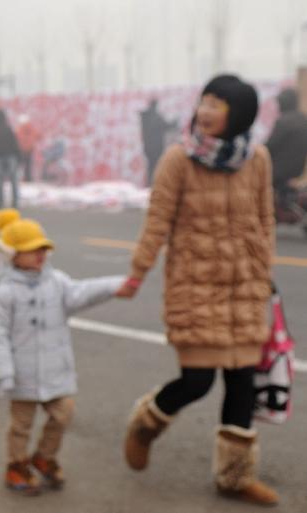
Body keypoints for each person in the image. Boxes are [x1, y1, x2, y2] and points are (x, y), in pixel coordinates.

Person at [118, 75, 278, 506]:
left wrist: (263, 270)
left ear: (238, 114)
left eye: (217, 104)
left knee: (243, 384)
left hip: (245, 286)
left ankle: (235, 476)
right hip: (196, 285)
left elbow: (265, 219)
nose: (205, 110)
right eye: (204, 101)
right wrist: (137, 273)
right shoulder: (179, 159)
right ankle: (146, 424)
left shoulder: (257, 159)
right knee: (198, 381)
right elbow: (158, 223)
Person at [0, 209, 125, 495]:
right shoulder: (5, 294)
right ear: (13, 255)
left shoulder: (56, 282)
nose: (41, 254)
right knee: (20, 426)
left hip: (56, 371)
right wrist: (4, 373)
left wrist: (116, 285)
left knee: (63, 414)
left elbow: (82, 292)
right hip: (21, 376)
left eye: (43, 248)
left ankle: (44, 457)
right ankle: (17, 465)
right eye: (32, 250)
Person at [265, 88, 307, 207]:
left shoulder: (284, 121)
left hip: (278, 171)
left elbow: (269, 146)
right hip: (297, 169)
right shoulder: (304, 119)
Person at [139, 99, 174, 186]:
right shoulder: (156, 116)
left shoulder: (145, 117)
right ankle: (154, 184)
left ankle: (150, 184)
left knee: (151, 166)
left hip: (148, 148)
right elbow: (167, 126)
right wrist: (175, 122)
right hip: (157, 147)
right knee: (156, 166)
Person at [0, 109, 20, 208]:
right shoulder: (8, 129)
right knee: (13, 180)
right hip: (10, 157)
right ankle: (15, 202)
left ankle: (0, 202)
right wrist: (19, 156)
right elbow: (15, 144)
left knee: (0, 181)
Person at [15, 114, 41, 182]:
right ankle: (28, 178)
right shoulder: (31, 128)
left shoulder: (20, 129)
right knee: (28, 164)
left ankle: (20, 178)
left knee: (20, 164)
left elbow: (17, 137)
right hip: (30, 148)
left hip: (22, 149)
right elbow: (37, 135)